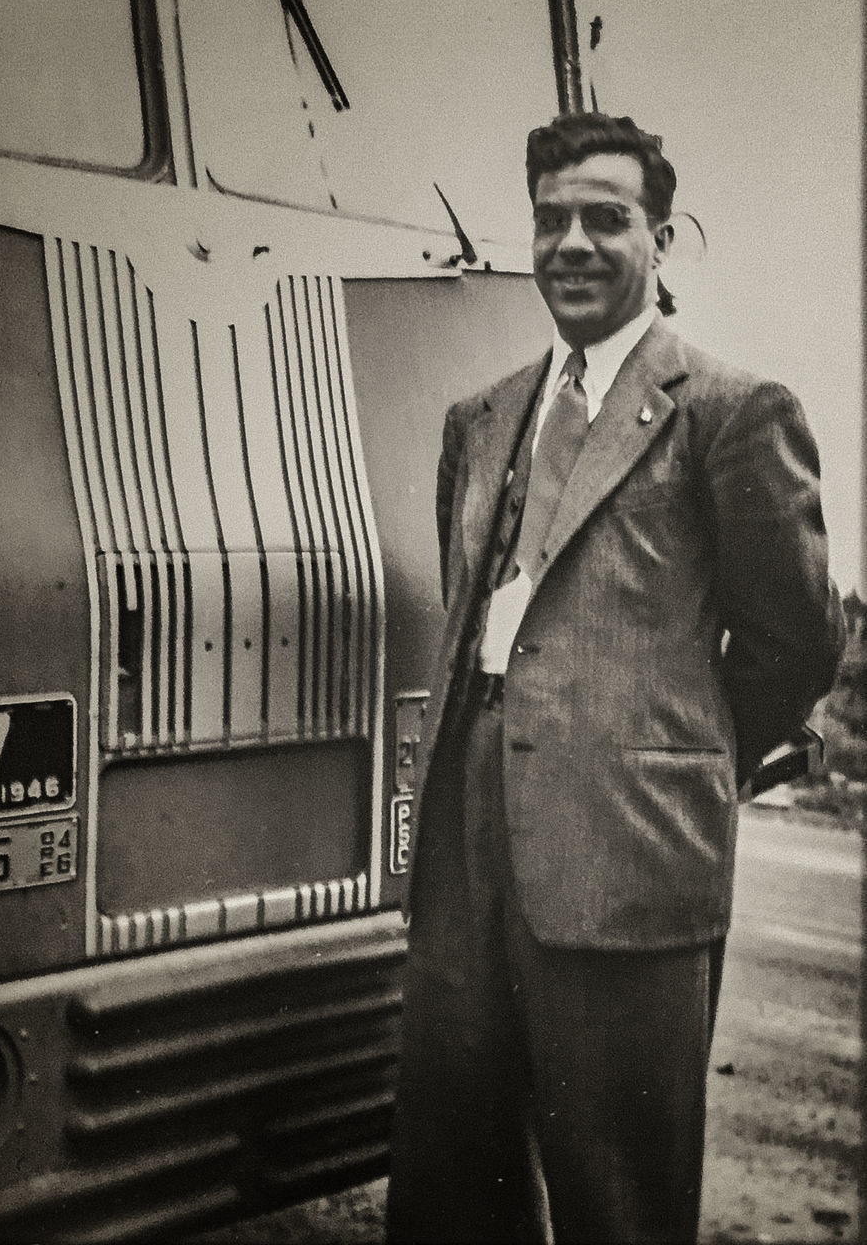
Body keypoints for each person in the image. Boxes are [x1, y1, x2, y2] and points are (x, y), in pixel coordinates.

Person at [385, 112, 845, 1245]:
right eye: (550, 220)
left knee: (616, 1193)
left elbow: (796, 637)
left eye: (606, 217)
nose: (572, 244)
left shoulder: (733, 413)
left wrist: (672, 751)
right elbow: (474, 613)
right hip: (467, 828)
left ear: (662, 237)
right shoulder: (480, 416)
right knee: (452, 1176)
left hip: (628, 848)